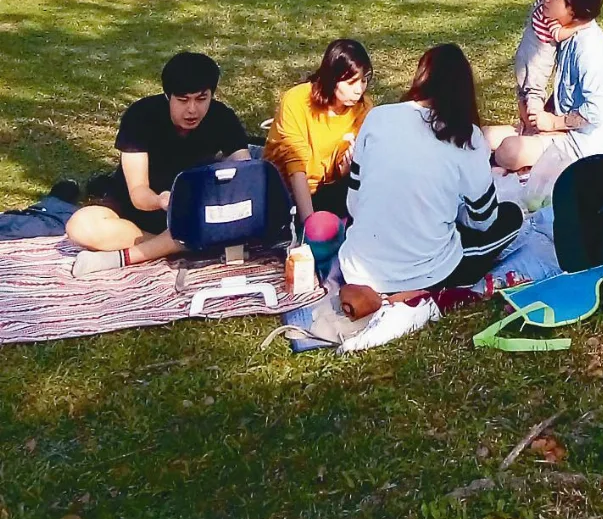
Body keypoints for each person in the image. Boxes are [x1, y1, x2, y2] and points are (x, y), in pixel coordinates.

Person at [338, 44, 524, 318]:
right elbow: (484, 220)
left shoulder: (377, 117)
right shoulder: (468, 136)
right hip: (424, 273)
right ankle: (414, 289)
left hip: (356, 267)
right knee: (512, 217)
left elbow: (354, 204)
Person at [66, 52, 249, 273]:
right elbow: (138, 193)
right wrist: (161, 200)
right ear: (167, 96)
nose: (192, 109)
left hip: (194, 216)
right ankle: (177, 247)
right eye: (183, 100)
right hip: (138, 218)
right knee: (80, 226)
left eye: (201, 99)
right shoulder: (141, 117)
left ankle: (126, 257)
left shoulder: (222, 118)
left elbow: (244, 172)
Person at [488, 0, 603, 180]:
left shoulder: (590, 49)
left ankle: (499, 168)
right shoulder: (566, 33)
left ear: (573, 8)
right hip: (560, 127)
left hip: (584, 143)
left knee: (509, 151)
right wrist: (537, 111)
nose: (544, 0)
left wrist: (550, 123)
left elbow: (595, 113)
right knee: (482, 137)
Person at [264, 38, 372, 223]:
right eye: (351, 82)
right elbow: (295, 166)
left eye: (364, 81)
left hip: (328, 189)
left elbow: (345, 171)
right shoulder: (297, 100)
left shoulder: (363, 109)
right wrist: (310, 224)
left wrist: (346, 168)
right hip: (286, 191)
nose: (359, 90)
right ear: (332, 78)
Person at [512, 0, 565, 125]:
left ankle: (524, 125)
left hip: (523, 56)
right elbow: (557, 34)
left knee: (523, 93)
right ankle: (534, 127)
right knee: (534, 96)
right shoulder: (549, 10)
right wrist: (578, 27)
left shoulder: (540, 2)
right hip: (537, 62)